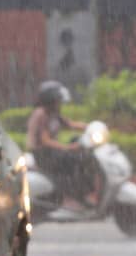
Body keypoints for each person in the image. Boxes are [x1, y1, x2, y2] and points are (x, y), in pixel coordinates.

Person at [27, 80, 93, 208]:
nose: (60, 103)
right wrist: (68, 148)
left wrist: (92, 126)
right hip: (42, 154)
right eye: (58, 100)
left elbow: (71, 124)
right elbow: (45, 141)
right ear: (50, 100)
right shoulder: (41, 114)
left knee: (82, 154)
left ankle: (80, 194)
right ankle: (72, 195)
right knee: (74, 160)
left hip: (50, 151)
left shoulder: (53, 113)